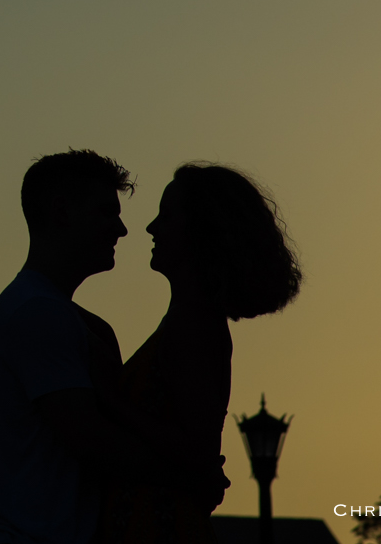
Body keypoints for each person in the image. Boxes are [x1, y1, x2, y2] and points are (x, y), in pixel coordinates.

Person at [0, 151, 225, 544]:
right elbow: (88, 438)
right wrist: (191, 476)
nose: (123, 230)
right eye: (106, 212)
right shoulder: (38, 312)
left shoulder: (71, 320)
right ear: (62, 213)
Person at [99, 164, 302, 544]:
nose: (152, 228)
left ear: (201, 231)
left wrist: (108, 400)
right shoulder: (188, 321)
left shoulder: (195, 325)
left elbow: (195, 449)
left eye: (168, 216)